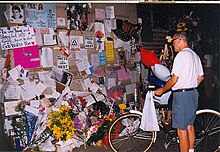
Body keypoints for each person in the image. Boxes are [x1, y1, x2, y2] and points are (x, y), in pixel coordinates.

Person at [154, 31, 204, 152]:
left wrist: (162, 90)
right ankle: (191, 150)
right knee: (189, 126)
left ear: (180, 40)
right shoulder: (194, 55)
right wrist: (190, 85)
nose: (172, 45)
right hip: (192, 94)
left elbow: (174, 79)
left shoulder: (181, 56)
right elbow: (201, 77)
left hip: (182, 96)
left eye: (173, 42)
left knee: (181, 131)